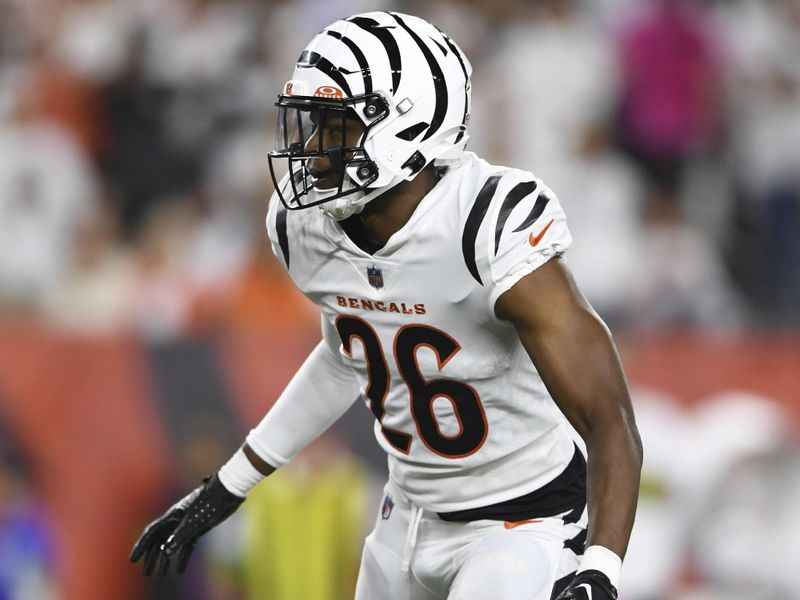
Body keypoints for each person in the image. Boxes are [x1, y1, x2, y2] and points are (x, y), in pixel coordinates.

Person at [130, 11, 643, 600]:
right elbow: (347, 351)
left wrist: (601, 569)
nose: (310, 149)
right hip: (405, 517)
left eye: (333, 127)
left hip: (519, 525)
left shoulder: (484, 227)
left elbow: (611, 422)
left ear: (405, 129)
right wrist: (230, 484)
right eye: (307, 125)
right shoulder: (307, 227)